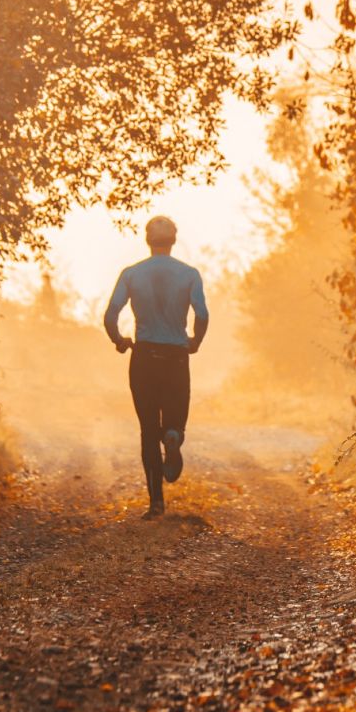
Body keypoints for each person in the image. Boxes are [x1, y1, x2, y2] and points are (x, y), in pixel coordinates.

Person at [103, 216, 209, 519]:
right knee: (174, 419)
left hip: (145, 356)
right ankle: (173, 436)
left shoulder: (131, 274)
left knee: (148, 430)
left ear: (147, 240)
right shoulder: (190, 274)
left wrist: (120, 340)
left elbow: (111, 315)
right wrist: (195, 342)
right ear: (174, 240)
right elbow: (201, 313)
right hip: (176, 356)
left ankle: (156, 504)